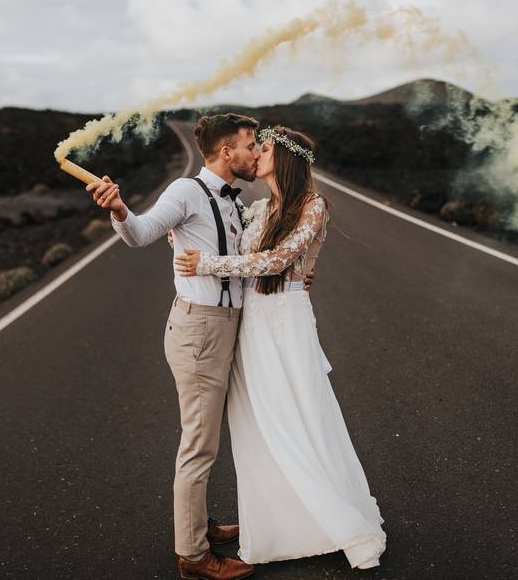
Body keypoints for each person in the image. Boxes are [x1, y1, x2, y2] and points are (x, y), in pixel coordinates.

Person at [174, 125, 386, 569]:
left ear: (283, 159)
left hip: (285, 323)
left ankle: (330, 515)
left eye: (264, 148)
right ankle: (278, 523)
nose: (257, 154)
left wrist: (208, 264)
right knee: (259, 425)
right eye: (256, 146)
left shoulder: (313, 206)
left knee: (301, 415)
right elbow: (225, 244)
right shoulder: (258, 207)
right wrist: (182, 236)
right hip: (251, 323)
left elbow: (280, 259)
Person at [88, 113, 286, 580]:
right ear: (224, 152)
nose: (256, 151)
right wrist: (119, 209)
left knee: (211, 437)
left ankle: (199, 524)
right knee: (199, 445)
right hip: (200, 329)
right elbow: (139, 234)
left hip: (226, 326)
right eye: (249, 144)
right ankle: (193, 556)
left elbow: (236, 262)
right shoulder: (184, 192)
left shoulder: (235, 199)